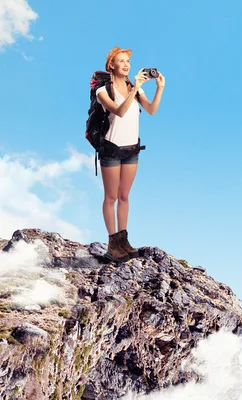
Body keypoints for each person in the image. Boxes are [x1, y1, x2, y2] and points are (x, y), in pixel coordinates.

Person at [95, 46, 165, 262]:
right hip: (111, 150)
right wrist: (135, 89)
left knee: (124, 196)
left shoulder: (135, 87)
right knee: (111, 197)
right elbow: (120, 111)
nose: (126, 64)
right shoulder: (102, 91)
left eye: (128, 61)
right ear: (111, 66)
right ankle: (112, 244)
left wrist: (159, 88)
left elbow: (151, 110)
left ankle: (123, 241)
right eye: (121, 61)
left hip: (131, 150)